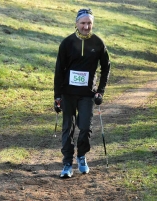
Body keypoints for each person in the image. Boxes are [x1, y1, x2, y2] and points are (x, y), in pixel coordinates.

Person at [54, 8, 111, 178]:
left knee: (85, 127)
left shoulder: (98, 43)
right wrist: (57, 96)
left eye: (89, 23)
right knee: (68, 128)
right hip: (68, 93)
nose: (86, 26)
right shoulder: (67, 43)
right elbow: (59, 70)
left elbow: (106, 67)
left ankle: (81, 156)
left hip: (87, 94)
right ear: (77, 23)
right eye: (83, 23)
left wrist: (100, 91)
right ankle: (66, 163)